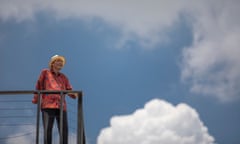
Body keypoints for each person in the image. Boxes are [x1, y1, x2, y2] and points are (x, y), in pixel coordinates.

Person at [32, 55, 77, 144]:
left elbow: (69, 90)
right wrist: (36, 99)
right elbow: (39, 85)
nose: (61, 63)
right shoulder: (45, 72)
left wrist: (76, 95)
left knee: (64, 129)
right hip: (47, 105)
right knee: (48, 129)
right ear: (53, 63)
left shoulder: (63, 77)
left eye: (62, 62)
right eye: (58, 61)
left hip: (61, 106)